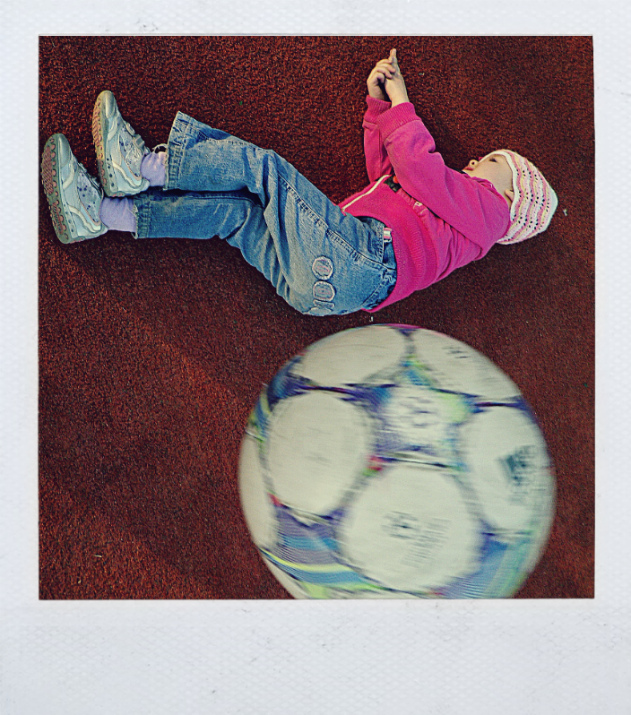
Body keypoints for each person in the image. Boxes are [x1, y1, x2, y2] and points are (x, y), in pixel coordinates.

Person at [40, 49, 557, 316]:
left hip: (361, 257)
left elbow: (421, 168)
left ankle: (142, 167)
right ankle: (102, 214)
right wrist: (380, 109)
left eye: (494, 161)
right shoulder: (454, 218)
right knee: (235, 216)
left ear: (511, 194)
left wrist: (403, 102)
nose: (475, 162)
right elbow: (392, 176)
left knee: (265, 169)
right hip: (328, 289)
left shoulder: (491, 215)